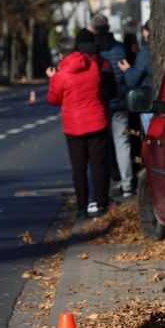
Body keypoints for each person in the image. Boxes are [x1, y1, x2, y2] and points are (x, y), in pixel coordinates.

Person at [46, 30, 110, 218]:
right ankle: (102, 204)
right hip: (97, 121)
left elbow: (53, 99)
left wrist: (52, 79)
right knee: (98, 166)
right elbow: (98, 86)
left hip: (74, 126)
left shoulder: (62, 75)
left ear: (60, 54)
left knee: (79, 168)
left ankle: (82, 207)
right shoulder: (92, 67)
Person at [91, 13, 135, 198]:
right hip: (119, 99)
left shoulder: (93, 51)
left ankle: (106, 183)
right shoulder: (119, 48)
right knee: (122, 143)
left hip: (100, 101)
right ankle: (127, 184)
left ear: (94, 29)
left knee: (101, 145)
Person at [118, 20, 154, 134]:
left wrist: (127, 70)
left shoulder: (144, 54)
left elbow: (131, 79)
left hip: (148, 102)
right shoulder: (144, 54)